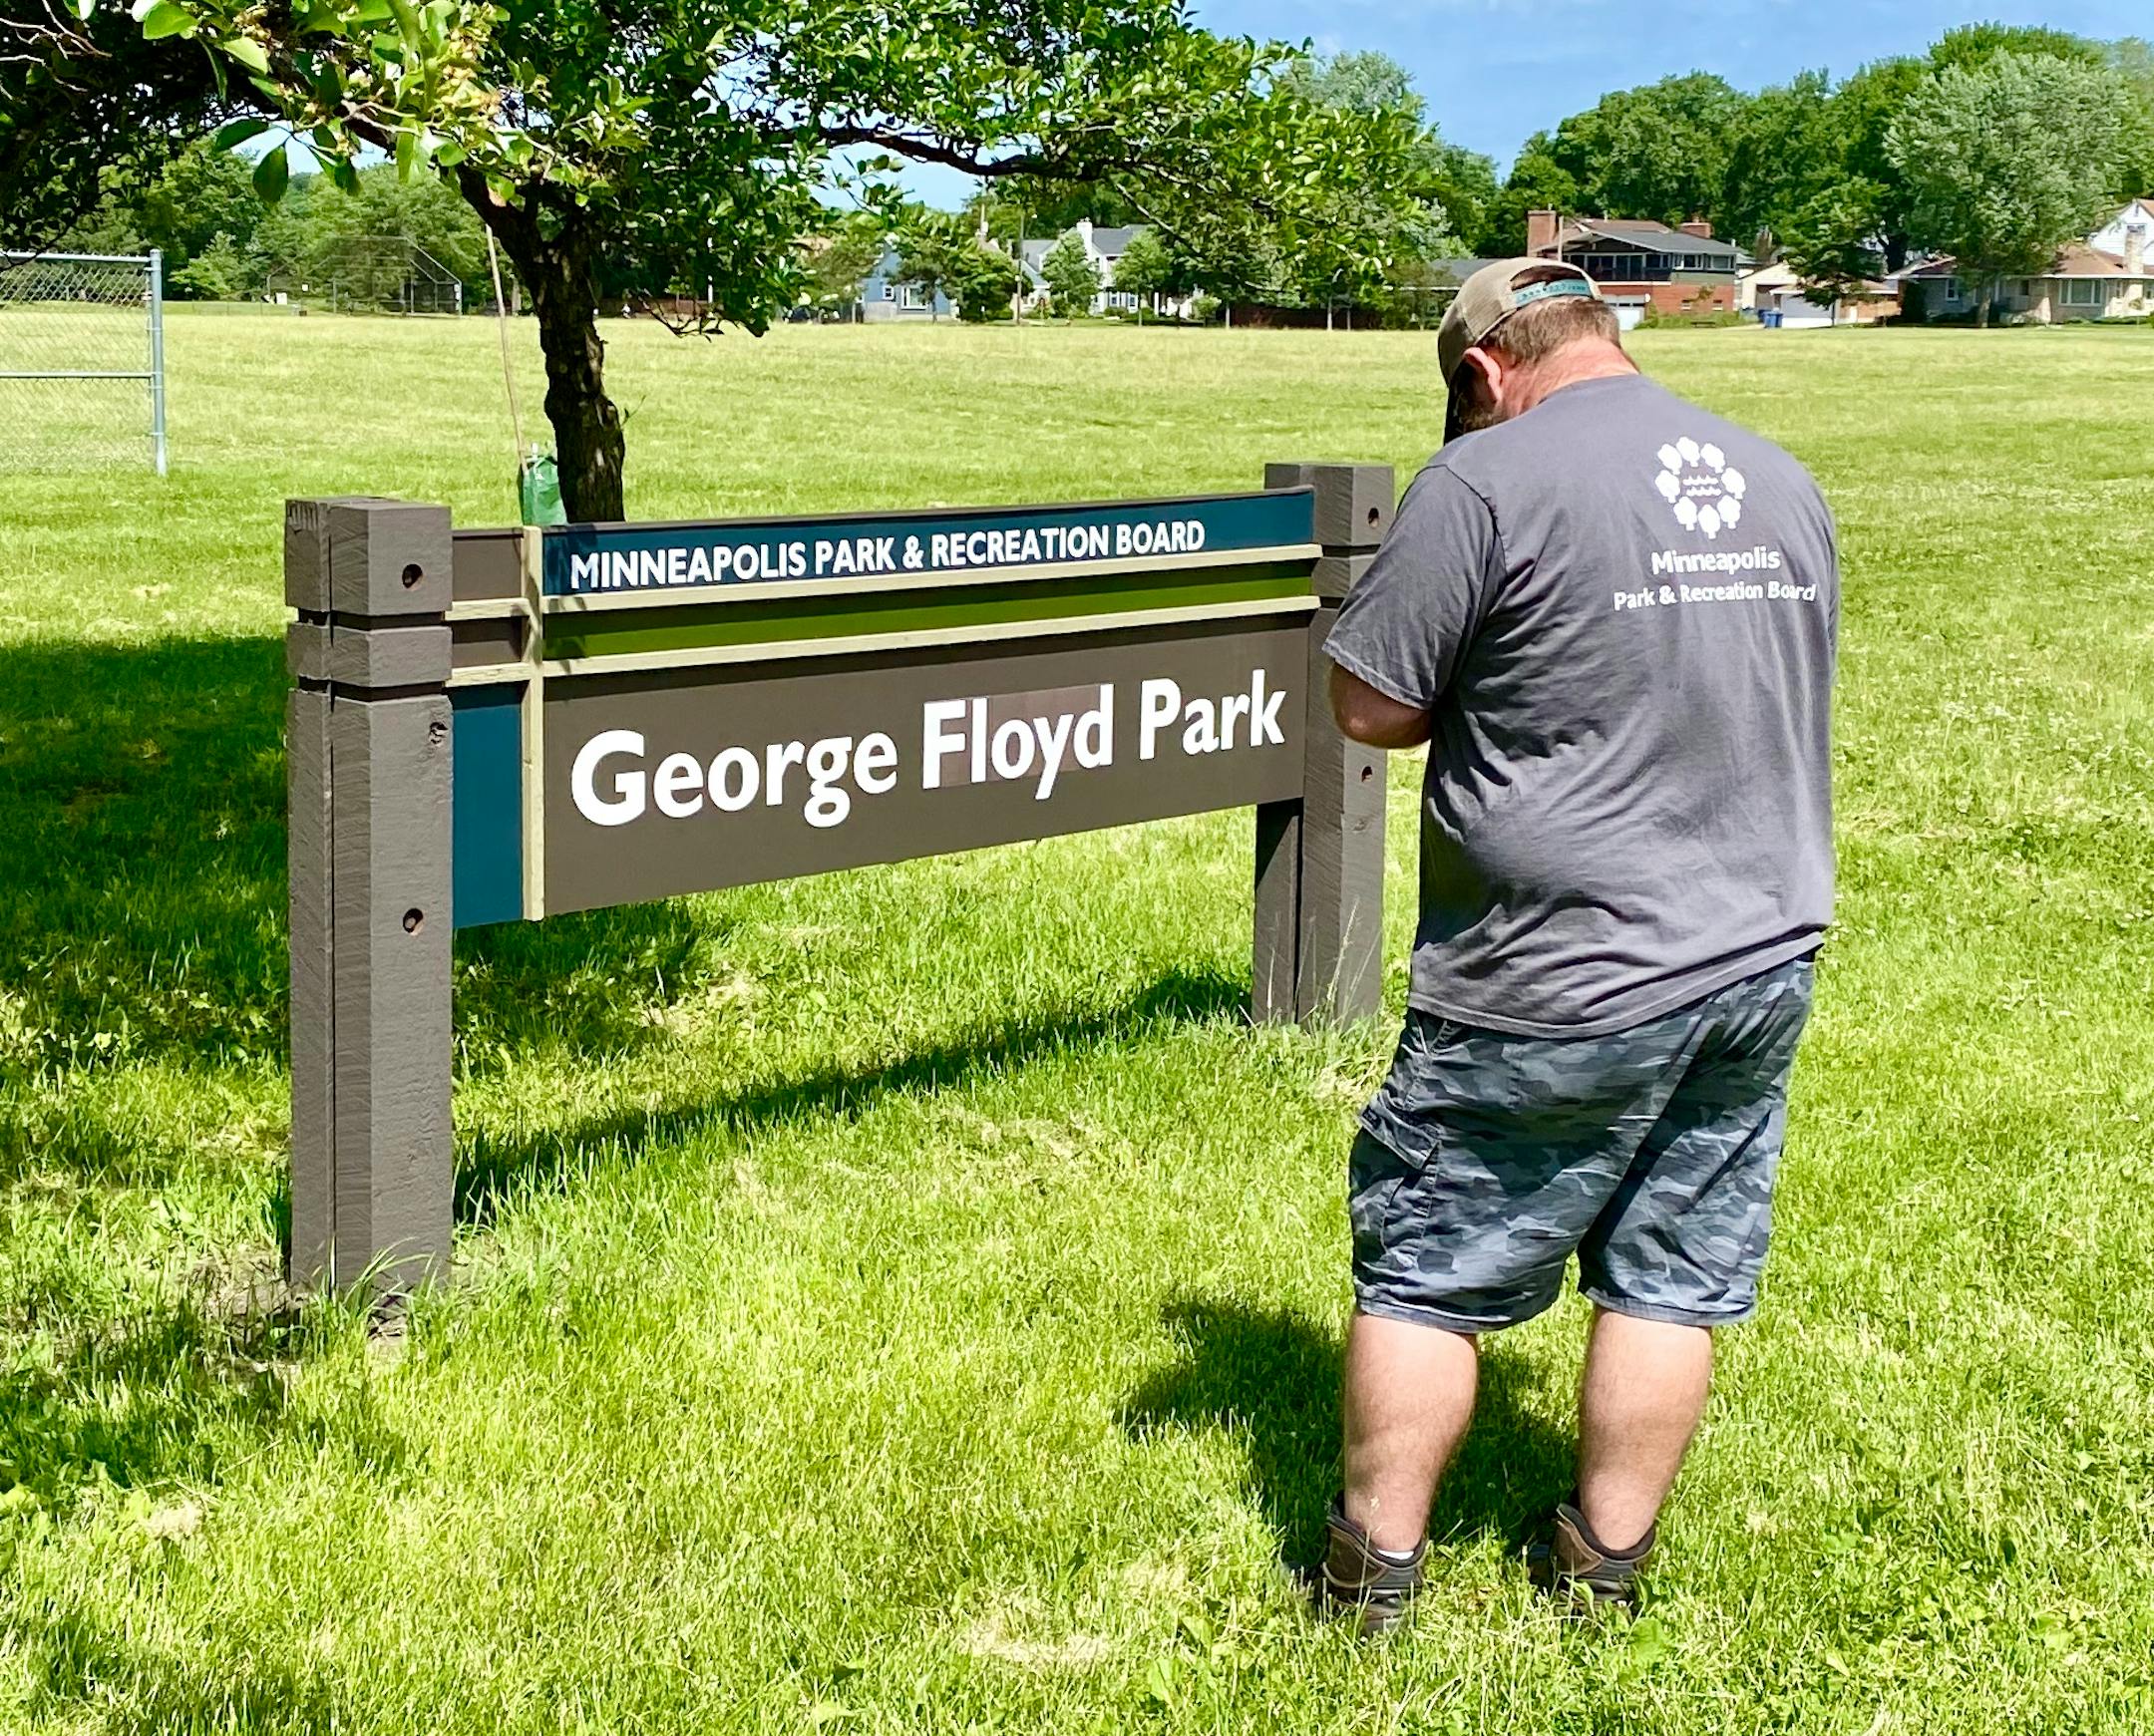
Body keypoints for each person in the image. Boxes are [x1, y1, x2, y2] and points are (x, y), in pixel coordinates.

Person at [1312, 257, 1839, 1630]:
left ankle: (1370, 1576)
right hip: (1758, 951)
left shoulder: (1481, 483)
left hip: (1554, 968)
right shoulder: (1777, 478)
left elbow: (1369, 707)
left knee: (1426, 1271)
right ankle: (1601, 1570)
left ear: (1484, 372)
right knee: (1670, 1274)